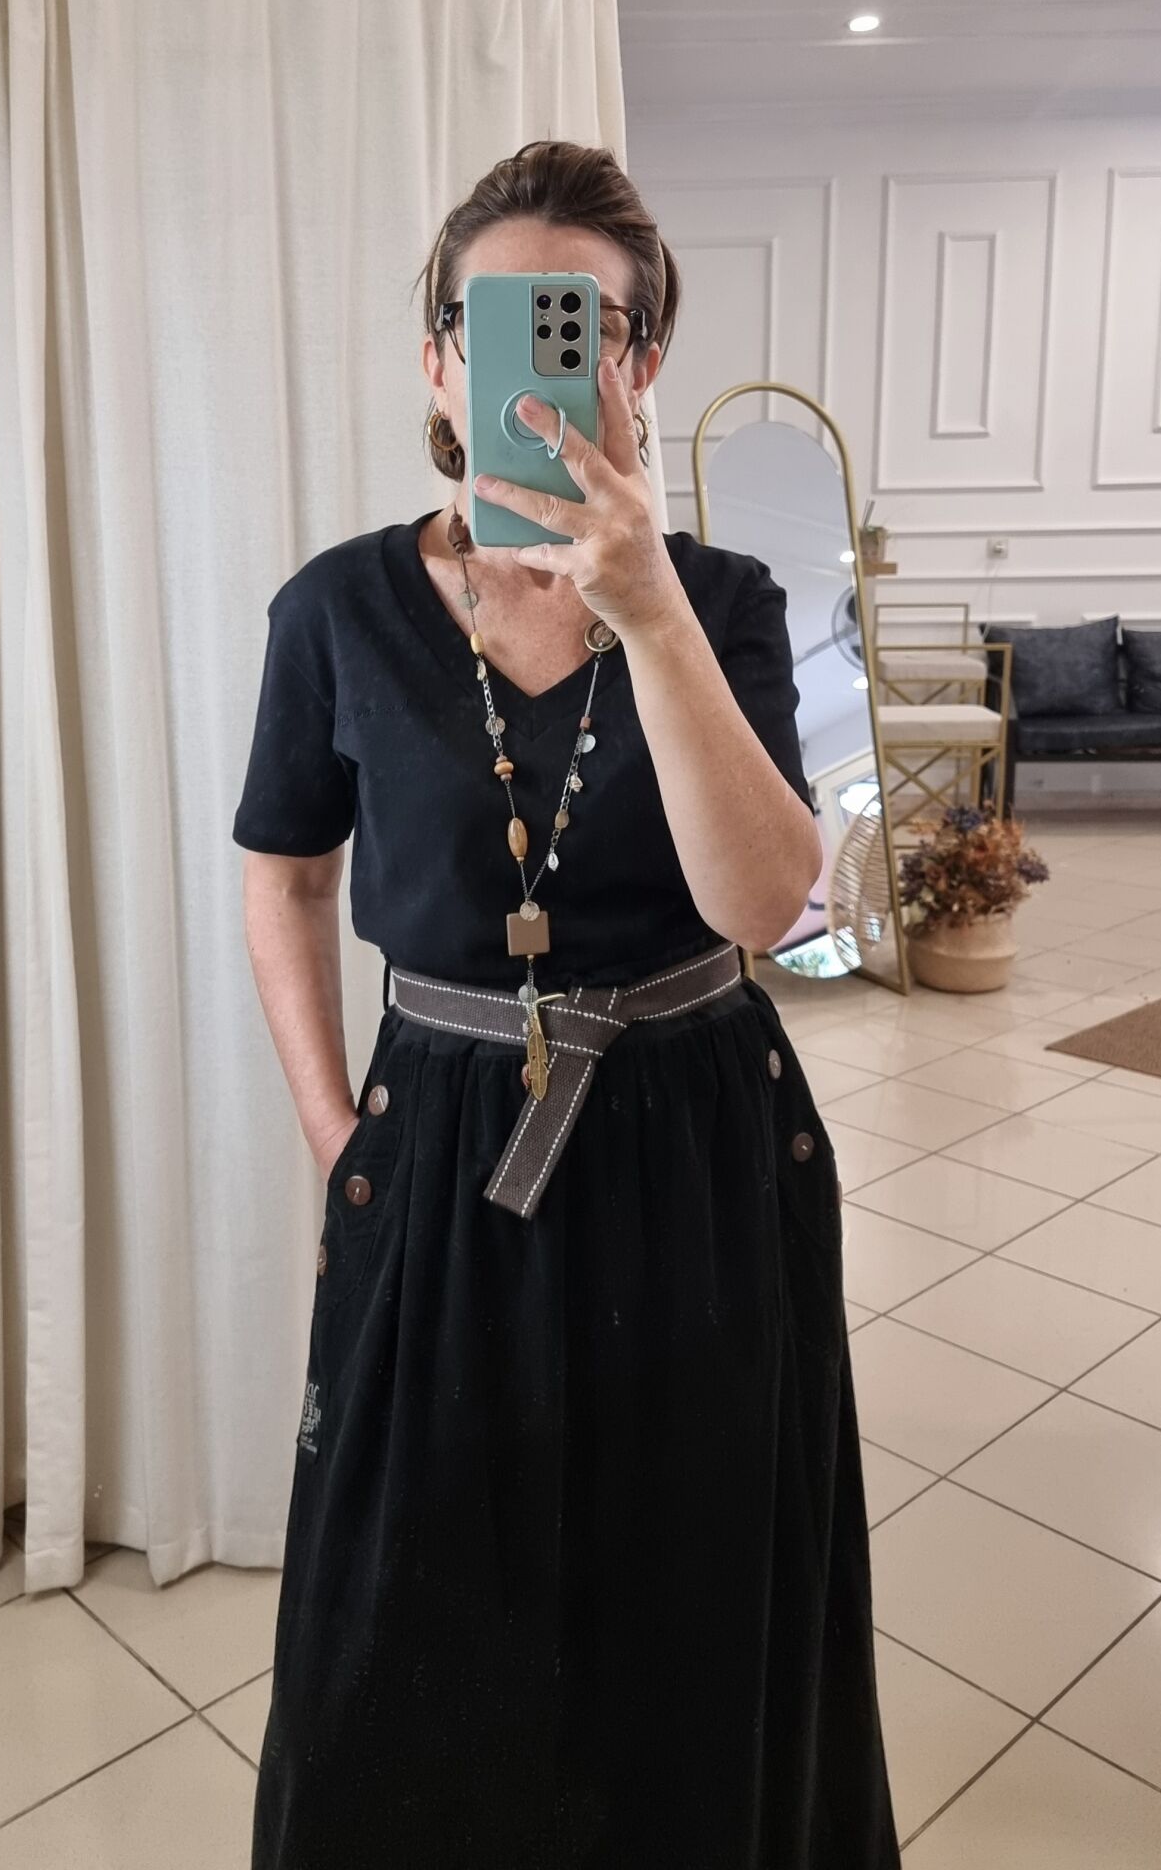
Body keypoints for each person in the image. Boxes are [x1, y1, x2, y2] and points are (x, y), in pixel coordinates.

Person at [233, 138, 900, 1868]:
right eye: (498, 322)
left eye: (584, 325)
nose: (541, 359)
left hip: (698, 1133)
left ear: (639, 363)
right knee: (406, 1612)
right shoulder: (339, 611)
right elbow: (285, 877)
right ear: (439, 362)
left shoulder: (725, 604)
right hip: (437, 1141)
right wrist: (336, 1136)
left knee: (689, 1600)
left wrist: (645, 604)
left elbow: (771, 905)